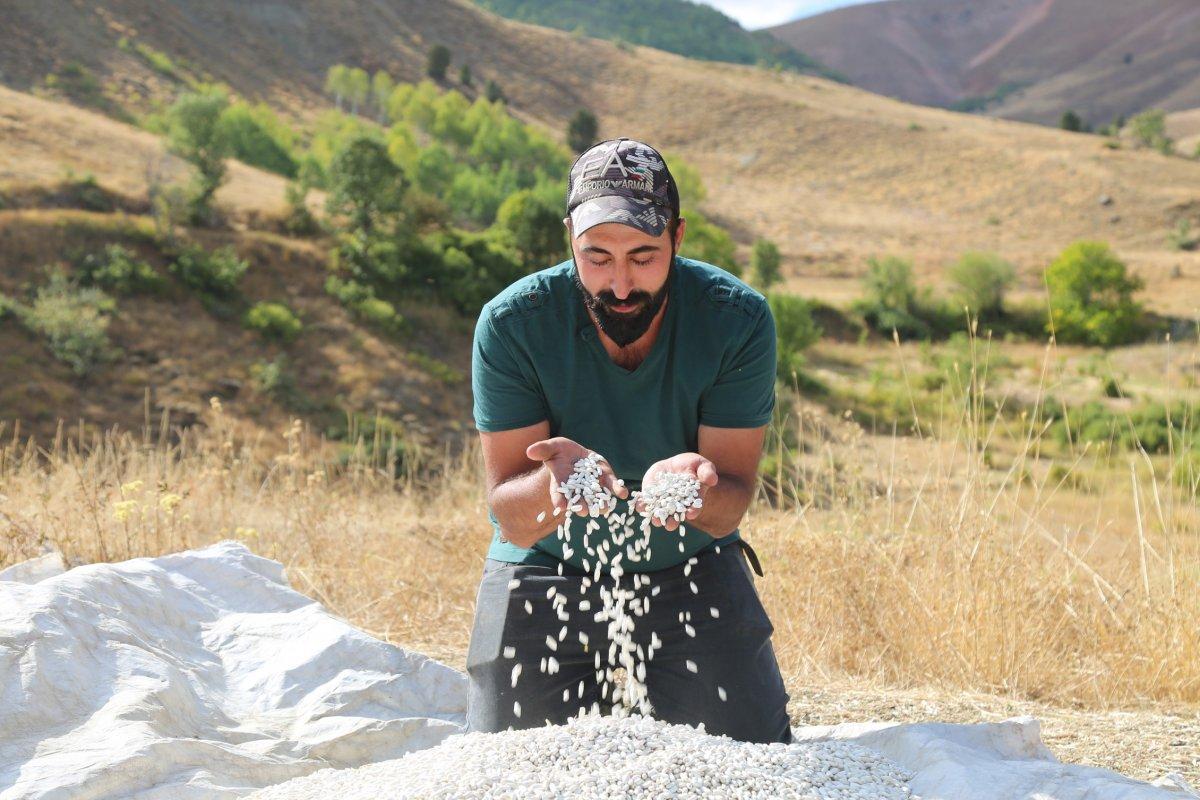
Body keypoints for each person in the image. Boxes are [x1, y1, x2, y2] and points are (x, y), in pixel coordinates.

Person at [467, 137, 791, 743]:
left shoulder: (735, 319)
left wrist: (696, 491)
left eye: (644, 256)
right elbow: (511, 516)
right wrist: (553, 485)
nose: (619, 285)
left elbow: (730, 507)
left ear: (678, 236)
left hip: (689, 562)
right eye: (596, 257)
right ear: (570, 238)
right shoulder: (512, 324)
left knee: (750, 763)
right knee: (508, 770)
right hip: (545, 567)